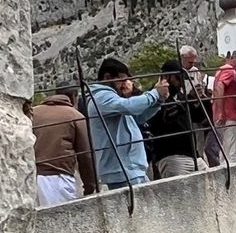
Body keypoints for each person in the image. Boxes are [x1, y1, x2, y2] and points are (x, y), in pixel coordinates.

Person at [86, 57, 166, 188]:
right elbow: (130, 106)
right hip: (122, 170)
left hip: (130, 169)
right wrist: (155, 94)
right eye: (121, 80)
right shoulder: (101, 97)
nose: (124, 85)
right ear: (107, 78)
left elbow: (138, 118)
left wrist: (158, 101)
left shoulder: (111, 98)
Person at [144, 57, 210, 177]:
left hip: (192, 154)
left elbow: (199, 117)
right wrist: (189, 100)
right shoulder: (156, 97)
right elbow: (168, 116)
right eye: (178, 78)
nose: (181, 82)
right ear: (167, 77)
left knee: (210, 180)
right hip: (171, 155)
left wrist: (201, 99)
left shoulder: (179, 95)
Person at [28, 91, 97, 205]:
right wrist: (90, 186)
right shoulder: (75, 116)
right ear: (74, 98)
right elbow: (86, 155)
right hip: (59, 179)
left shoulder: (33, 113)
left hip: (31, 177)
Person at [210, 52, 236, 163]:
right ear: (232, 58)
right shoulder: (230, 70)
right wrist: (221, 112)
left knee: (225, 152)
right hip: (229, 116)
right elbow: (219, 87)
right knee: (234, 153)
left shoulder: (220, 70)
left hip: (220, 116)